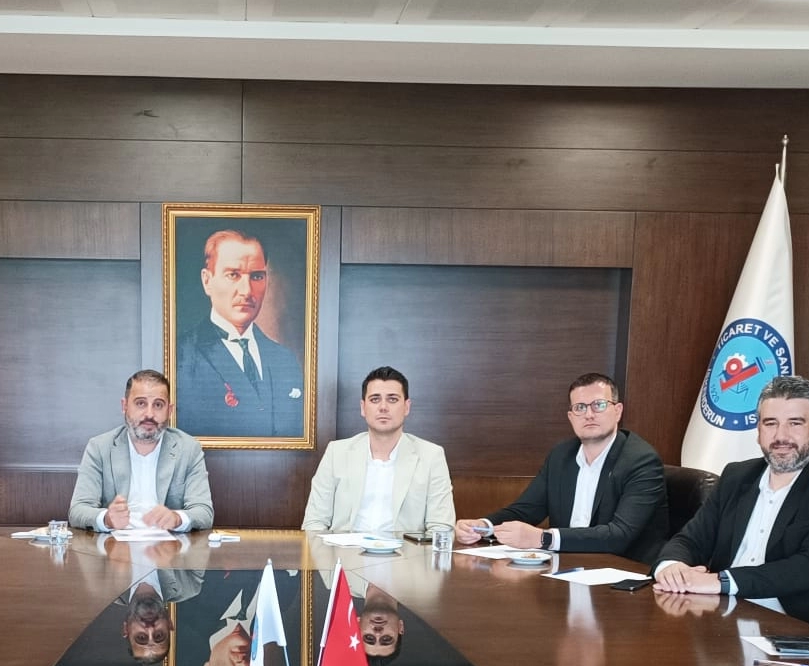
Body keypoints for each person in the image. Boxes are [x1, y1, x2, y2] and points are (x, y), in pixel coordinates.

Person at [651, 375, 809, 629]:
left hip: (793, 626)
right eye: (770, 423)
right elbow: (690, 539)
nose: (781, 436)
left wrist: (721, 581)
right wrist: (672, 568)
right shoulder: (737, 476)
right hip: (721, 614)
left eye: (795, 423)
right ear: (758, 432)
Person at [457, 373, 668, 565]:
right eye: (580, 407)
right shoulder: (561, 455)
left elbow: (619, 535)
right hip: (566, 567)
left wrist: (544, 538)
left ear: (617, 411)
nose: (589, 414)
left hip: (623, 572)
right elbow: (526, 510)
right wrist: (483, 526)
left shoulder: (641, 461)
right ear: (570, 417)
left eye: (599, 405)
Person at [176, 230, 306, 439]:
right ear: (207, 281)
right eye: (233, 275)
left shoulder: (285, 360)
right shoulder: (180, 357)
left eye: (256, 276)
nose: (246, 291)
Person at [301, 367, 455, 540]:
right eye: (375, 399)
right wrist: (325, 556)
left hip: (405, 555)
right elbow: (314, 522)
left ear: (406, 407)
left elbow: (441, 528)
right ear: (363, 407)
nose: (383, 407)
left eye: (392, 399)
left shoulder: (431, 456)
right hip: (344, 553)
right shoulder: (336, 452)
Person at [70, 370, 215, 533]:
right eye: (141, 403)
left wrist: (177, 518)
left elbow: (204, 512)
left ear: (169, 410)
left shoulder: (188, 448)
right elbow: (78, 510)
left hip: (169, 544)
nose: (149, 414)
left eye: (158, 405)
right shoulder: (99, 447)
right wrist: (107, 519)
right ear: (124, 406)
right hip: (115, 544)